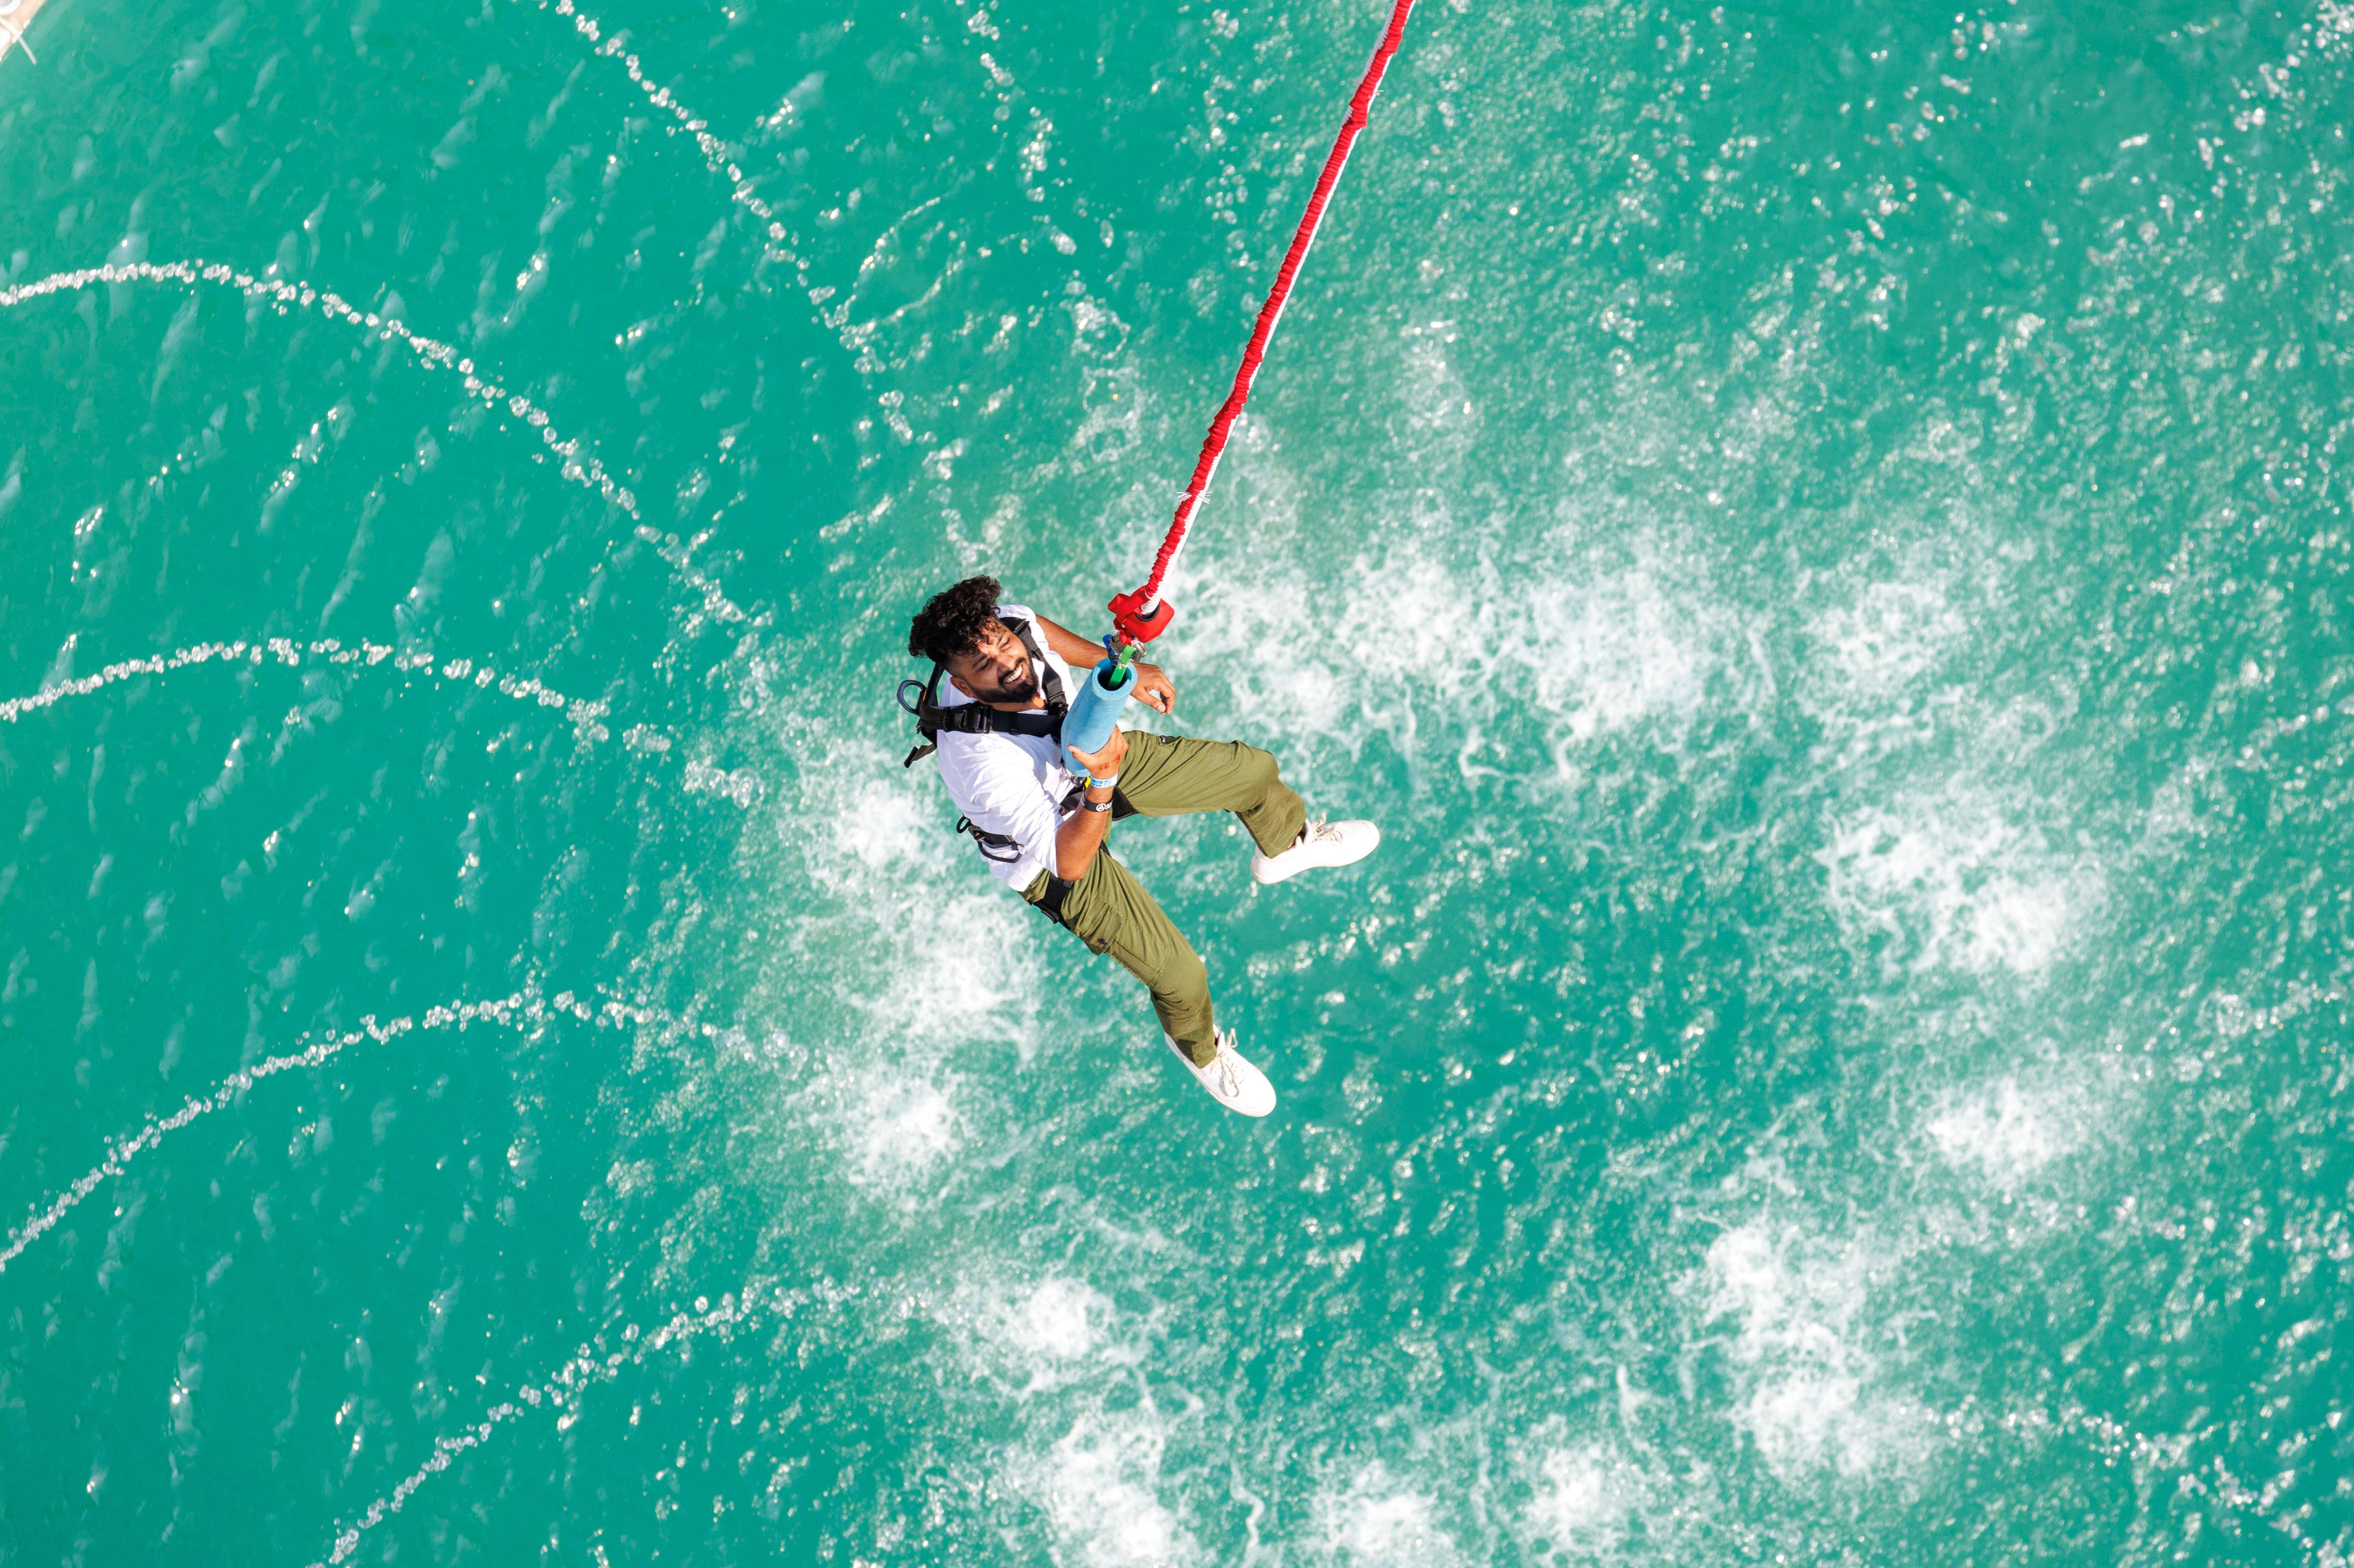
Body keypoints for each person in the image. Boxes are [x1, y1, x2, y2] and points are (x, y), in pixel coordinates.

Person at [901, 576, 1379, 1115]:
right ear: (961, 685)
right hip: (1049, 849)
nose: (1005, 661)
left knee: (1251, 771)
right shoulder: (979, 765)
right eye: (981, 664)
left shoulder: (1010, 626)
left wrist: (1122, 671)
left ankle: (1286, 843)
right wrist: (1100, 784)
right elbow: (1070, 862)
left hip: (1081, 759)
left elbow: (1041, 633)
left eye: (1001, 642)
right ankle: (1199, 1050)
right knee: (1180, 975)